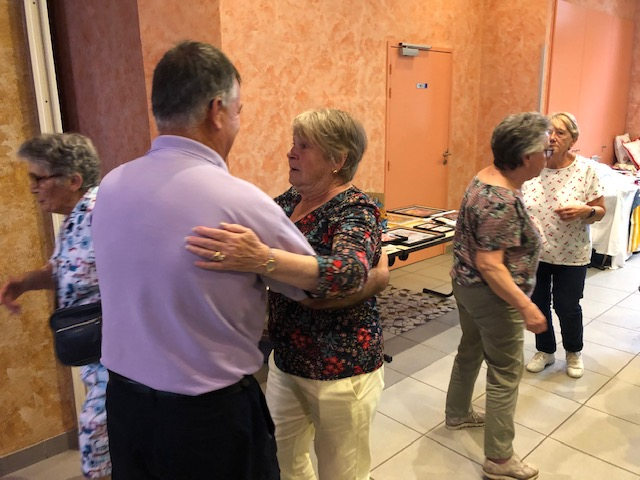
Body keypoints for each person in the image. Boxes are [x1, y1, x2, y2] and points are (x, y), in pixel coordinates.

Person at [91, 42, 386, 480]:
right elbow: (310, 287)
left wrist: (271, 262)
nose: (290, 152)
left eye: (302, 146)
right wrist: (376, 277)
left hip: (128, 406)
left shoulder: (111, 185)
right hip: (207, 416)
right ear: (217, 110)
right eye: (240, 111)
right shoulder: (241, 201)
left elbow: (339, 274)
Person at [186, 108, 385, 480]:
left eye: (304, 146)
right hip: (287, 358)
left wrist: (263, 259)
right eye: (294, 144)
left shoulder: (356, 209)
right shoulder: (286, 203)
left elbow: (350, 271)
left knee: (343, 471)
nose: (290, 153)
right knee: (283, 460)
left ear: (337, 160)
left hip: (341, 368)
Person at [444, 112, 550, 480]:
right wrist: (527, 306)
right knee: (506, 371)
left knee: (470, 348)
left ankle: (457, 413)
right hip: (492, 296)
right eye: (544, 151)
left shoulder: (484, 178)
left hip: (466, 286)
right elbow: (491, 265)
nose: (546, 157)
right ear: (525, 158)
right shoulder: (500, 199)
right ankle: (500, 460)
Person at [0, 133, 111, 479]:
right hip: (98, 362)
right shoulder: (74, 221)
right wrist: (25, 282)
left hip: (121, 362)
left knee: (97, 446)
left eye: (39, 178)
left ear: (73, 180)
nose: (32, 187)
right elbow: (66, 268)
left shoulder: (101, 215)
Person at [522, 112, 605, 379]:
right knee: (539, 303)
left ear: (573, 140)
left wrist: (585, 211)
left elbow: (601, 210)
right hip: (537, 254)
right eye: (549, 132)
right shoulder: (533, 165)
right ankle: (545, 350)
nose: (552, 138)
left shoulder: (586, 170)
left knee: (567, 306)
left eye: (560, 133)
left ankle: (573, 351)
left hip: (572, 254)